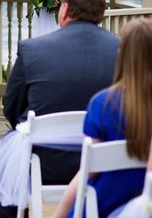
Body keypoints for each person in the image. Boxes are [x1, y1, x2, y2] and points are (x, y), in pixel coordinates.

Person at [0, 0, 119, 218]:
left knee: (4, 168)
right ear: (101, 14)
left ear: (65, 9)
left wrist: (35, 128)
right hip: (106, 164)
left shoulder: (32, 49)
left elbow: (12, 108)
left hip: (46, 163)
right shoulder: (123, 49)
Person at [53, 18, 152, 218]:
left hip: (101, 209)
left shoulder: (102, 104)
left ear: (122, 54)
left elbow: (88, 171)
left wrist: (59, 214)